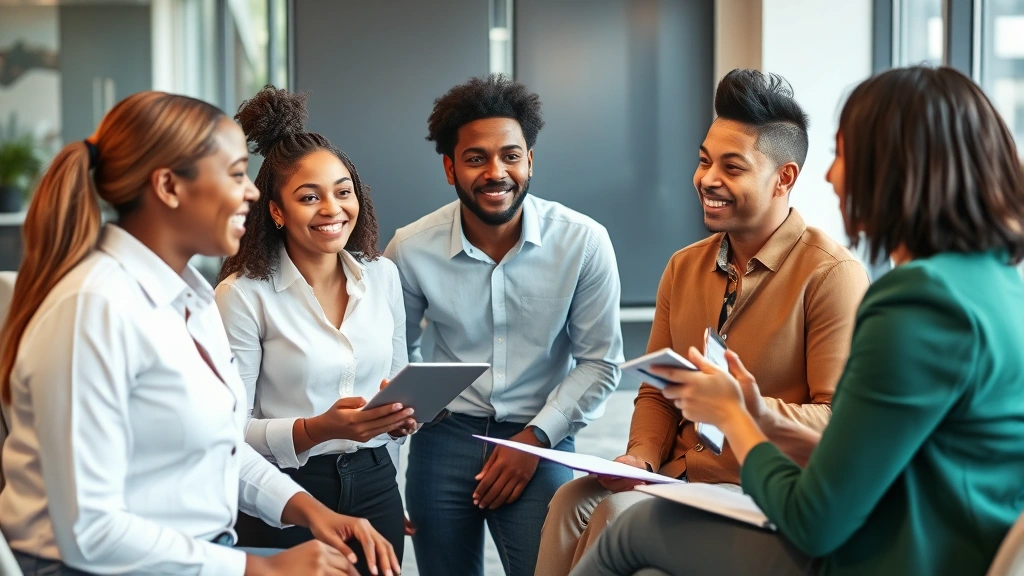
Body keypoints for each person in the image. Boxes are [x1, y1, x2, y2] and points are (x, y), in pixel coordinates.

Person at [571, 65, 1024, 576]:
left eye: (844, 154)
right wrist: (753, 414)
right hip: (944, 540)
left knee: (631, 527)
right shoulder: (998, 285)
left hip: (893, 554)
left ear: (893, 170)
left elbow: (815, 520)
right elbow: (872, 447)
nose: (832, 176)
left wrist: (736, 418)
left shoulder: (916, 301)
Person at [0, 91, 399, 576]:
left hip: (192, 554)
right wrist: (262, 568)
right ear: (169, 186)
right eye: (234, 175)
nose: (251, 193)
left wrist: (313, 512)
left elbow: (224, 447)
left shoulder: (189, 298)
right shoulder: (95, 307)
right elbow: (89, 530)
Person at [536, 69, 870, 576]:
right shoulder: (684, 266)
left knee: (617, 513)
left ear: (784, 177)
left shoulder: (831, 275)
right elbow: (657, 392)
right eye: (703, 161)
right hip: (682, 475)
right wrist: (641, 458)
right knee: (570, 502)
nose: (707, 179)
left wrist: (740, 406)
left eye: (731, 167)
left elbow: (836, 421)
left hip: (763, 489)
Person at [383, 74, 624, 576]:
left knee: (551, 569)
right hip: (444, 434)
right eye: (476, 158)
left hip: (541, 428)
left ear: (530, 160)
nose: (497, 172)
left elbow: (600, 362)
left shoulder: (583, 242)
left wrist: (533, 441)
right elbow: (392, 358)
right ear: (450, 168)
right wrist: (389, 467)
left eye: (511, 156)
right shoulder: (410, 248)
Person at [215, 86, 415, 573]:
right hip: (281, 494)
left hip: (375, 484)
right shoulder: (243, 295)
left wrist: (403, 418)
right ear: (277, 211)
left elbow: (396, 375)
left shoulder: (383, 275)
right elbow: (227, 434)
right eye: (310, 197)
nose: (332, 209)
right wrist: (316, 429)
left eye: (343, 191)